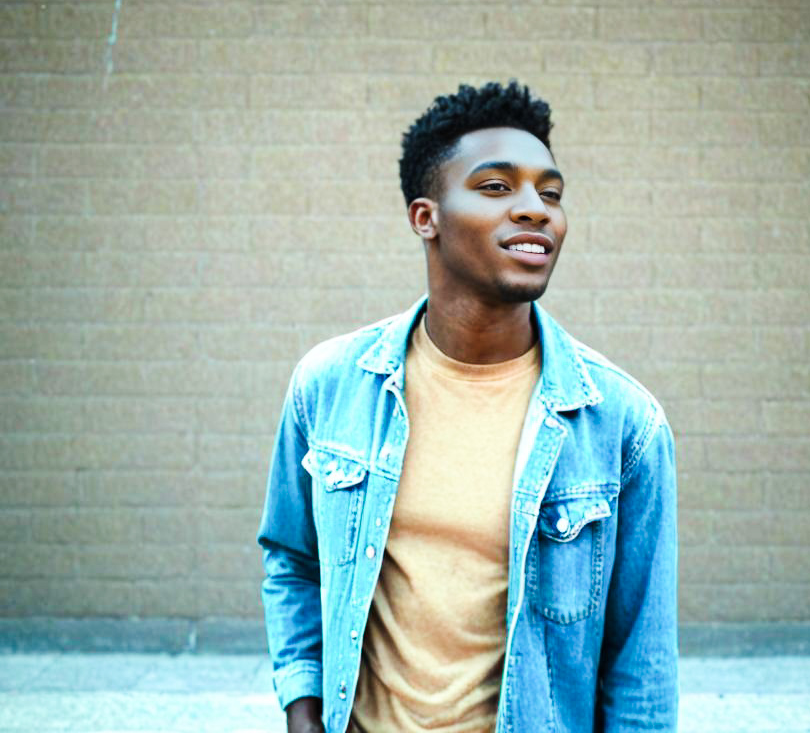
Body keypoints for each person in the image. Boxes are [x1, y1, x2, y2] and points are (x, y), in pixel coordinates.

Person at [256, 80, 678, 733]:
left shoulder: (623, 424)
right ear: (426, 217)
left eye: (552, 192)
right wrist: (303, 712)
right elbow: (292, 559)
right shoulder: (331, 387)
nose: (536, 210)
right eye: (497, 187)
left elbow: (640, 664)